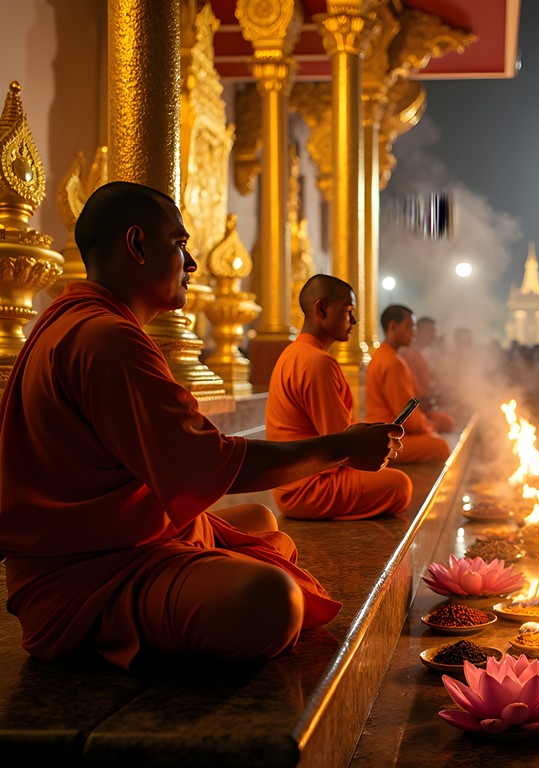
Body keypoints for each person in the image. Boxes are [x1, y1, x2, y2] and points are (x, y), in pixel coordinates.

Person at [0, 182, 402, 670]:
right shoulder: (107, 339)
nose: (191, 265)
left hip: (111, 540)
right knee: (271, 600)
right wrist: (342, 448)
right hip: (86, 575)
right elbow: (206, 464)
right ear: (137, 244)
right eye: (180, 244)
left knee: (259, 522)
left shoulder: (80, 323)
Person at [266, 275, 413, 520]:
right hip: (307, 489)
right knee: (400, 485)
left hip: (292, 482)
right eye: (347, 311)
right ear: (321, 309)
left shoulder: (295, 352)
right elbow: (341, 442)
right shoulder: (317, 362)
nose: (353, 320)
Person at [365, 305, 452, 463]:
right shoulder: (392, 362)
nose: (413, 333)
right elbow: (406, 417)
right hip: (386, 438)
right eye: (409, 327)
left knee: (443, 425)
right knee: (440, 447)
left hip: (386, 430)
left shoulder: (386, 355)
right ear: (393, 326)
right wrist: (427, 428)